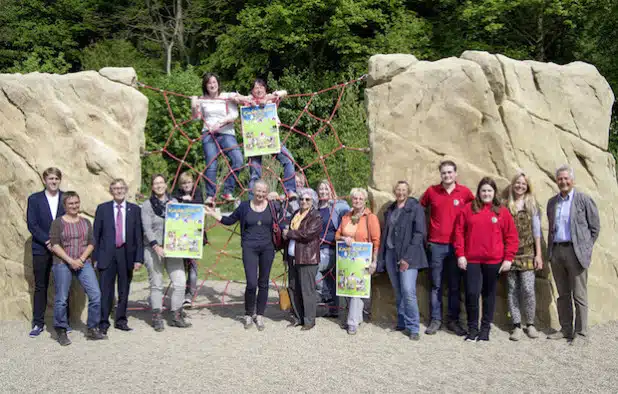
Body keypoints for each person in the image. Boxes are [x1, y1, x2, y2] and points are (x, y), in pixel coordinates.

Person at [205, 179, 282, 330]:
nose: (260, 194)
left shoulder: (273, 206)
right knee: (252, 283)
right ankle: (248, 313)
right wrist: (213, 214)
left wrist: (279, 196)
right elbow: (229, 220)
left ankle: (259, 315)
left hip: (267, 248)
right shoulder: (244, 207)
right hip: (249, 248)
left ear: (267, 193)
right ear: (253, 191)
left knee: (264, 282)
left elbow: (286, 210)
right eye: (258, 190)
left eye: (263, 191)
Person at [454, 177, 519, 342]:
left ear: (494, 192)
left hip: (493, 261)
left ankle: (485, 329)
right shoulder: (468, 209)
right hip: (472, 260)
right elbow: (459, 233)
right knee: (472, 293)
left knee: (489, 295)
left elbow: (512, 237)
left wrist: (508, 259)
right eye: (483, 190)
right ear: (479, 192)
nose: (486, 193)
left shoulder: (502, 212)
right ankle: (472, 329)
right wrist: (460, 254)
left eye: (489, 190)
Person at [420, 160, 474, 336]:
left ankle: (453, 320)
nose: (447, 176)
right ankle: (435, 320)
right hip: (436, 245)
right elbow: (419, 209)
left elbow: (477, 211)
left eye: (450, 172)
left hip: (457, 247)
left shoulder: (465, 193)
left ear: (455, 174)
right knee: (435, 284)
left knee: (454, 285)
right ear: (440, 175)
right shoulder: (432, 191)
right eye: (444, 173)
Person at [546, 165, 600, 344]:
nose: (563, 182)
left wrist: (586, 248)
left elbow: (595, 228)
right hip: (557, 251)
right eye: (560, 179)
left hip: (576, 252)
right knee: (562, 294)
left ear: (572, 180)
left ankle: (582, 333)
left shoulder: (583, 200)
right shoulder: (552, 203)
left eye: (566, 178)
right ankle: (566, 329)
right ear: (556, 181)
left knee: (579, 294)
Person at [49, 191, 106, 345]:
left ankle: (92, 328)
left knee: (96, 295)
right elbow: (54, 244)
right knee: (61, 298)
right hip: (62, 262)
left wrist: (80, 259)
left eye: (76, 203)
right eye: (70, 203)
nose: (74, 206)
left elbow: (91, 242)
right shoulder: (57, 223)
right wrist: (70, 260)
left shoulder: (86, 222)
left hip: (83, 262)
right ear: (65, 206)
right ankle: (61, 329)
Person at [377, 181, 428, 340]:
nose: (400, 192)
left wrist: (407, 257)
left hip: (408, 255)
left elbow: (419, 233)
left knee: (408, 290)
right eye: (398, 189)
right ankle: (402, 321)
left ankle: (413, 327)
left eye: (404, 190)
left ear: (408, 191)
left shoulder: (415, 208)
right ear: (394, 191)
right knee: (398, 290)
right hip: (391, 253)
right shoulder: (391, 209)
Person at [93, 179, 144, 335]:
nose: (119, 190)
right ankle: (103, 321)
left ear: (126, 189)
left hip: (126, 253)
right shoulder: (103, 209)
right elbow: (96, 234)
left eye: (122, 188)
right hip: (107, 253)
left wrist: (138, 258)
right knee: (105, 289)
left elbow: (138, 236)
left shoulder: (134, 210)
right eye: (115, 188)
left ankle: (121, 320)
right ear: (111, 191)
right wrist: (95, 257)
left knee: (124, 289)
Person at [142, 174, 191, 331]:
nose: (159, 186)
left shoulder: (174, 202)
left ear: (165, 185)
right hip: (153, 248)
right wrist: (156, 246)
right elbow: (147, 228)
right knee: (156, 283)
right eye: (156, 183)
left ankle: (176, 314)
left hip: (173, 247)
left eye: (161, 183)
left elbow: (184, 222)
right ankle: (157, 316)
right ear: (152, 186)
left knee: (180, 281)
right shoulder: (147, 205)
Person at [236, 78, 297, 198]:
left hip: (271, 139)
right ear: (252, 91)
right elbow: (236, 98)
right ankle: (252, 200)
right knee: (255, 172)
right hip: (254, 143)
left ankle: (290, 190)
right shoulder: (248, 101)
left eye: (261, 87)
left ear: (265, 88)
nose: (258, 89)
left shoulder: (270, 98)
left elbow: (284, 92)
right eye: (255, 87)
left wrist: (268, 99)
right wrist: (248, 100)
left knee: (289, 160)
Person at [26, 167, 68, 337]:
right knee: (40, 286)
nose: (53, 181)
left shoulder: (66, 198)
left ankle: (64, 322)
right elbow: (32, 224)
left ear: (60, 180)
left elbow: (70, 221)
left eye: (56, 179)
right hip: (40, 248)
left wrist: (57, 242)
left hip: (61, 249)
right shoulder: (34, 199)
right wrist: (47, 241)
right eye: (50, 178)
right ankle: (38, 323)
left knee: (63, 285)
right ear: (44, 180)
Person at [502, 172, 543, 341]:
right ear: (513, 185)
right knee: (512, 290)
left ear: (527, 186)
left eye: (523, 183)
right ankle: (516, 325)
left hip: (528, 253)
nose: (520, 186)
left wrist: (538, 254)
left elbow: (536, 231)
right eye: (517, 183)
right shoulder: (506, 205)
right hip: (510, 254)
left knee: (528, 289)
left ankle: (530, 323)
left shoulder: (531, 203)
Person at [191, 72, 243, 204]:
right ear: (205, 85)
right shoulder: (202, 100)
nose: (212, 85)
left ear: (218, 83)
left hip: (226, 133)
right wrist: (193, 106)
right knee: (211, 165)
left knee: (238, 160)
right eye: (209, 83)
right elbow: (196, 118)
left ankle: (228, 191)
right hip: (208, 134)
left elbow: (234, 114)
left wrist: (220, 123)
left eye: (214, 82)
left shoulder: (226, 96)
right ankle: (210, 196)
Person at [335, 187, 380, 335]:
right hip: (347, 259)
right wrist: (344, 238)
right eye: (355, 198)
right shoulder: (346, 216)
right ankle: (357, 317)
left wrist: (374, 261)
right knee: (349, 289)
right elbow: (337, 235)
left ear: (365, 200)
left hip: (362, 259)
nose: (357, 201)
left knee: (356, 290)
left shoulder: (370, 218)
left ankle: (352, 322)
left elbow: (376, 240)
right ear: (351, 200)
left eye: (360, 198)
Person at [283, 188, 322, 330]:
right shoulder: (296, 214)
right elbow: (290, 236)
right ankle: (298, 317)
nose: (304, 202)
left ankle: (309, 320)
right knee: (294, 288)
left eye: (307, 199)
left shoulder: (315, 216)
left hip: (307, 258)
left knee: (307, 290)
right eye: (302, 199)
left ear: (313, 202)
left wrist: (289, 233)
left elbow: (307, 234)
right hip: (293, 256)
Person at [171, 171, 207, 307]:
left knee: (192, 265)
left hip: (194, 237)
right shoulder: (176, 194)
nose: (187, 185)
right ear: (180, 185)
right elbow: (172, 205)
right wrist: (180, 200)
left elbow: (200, 205)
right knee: (181, 266)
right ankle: (180, 292)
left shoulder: (197, 192)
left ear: (193, 183)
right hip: (180, 237)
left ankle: (189, 295)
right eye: (184, 183)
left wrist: (189, 201)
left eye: (189, 182)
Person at [315, 180, 349, 317]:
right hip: (316, 248)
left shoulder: (338, 206)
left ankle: (326, 295)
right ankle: (333, 308)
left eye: (326, 189)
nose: (323, 191)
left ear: (331, 190)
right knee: (330, 278)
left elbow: (348, 214)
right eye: (321, 189)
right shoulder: (314, 206)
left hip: (331, 248)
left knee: (313, 267)